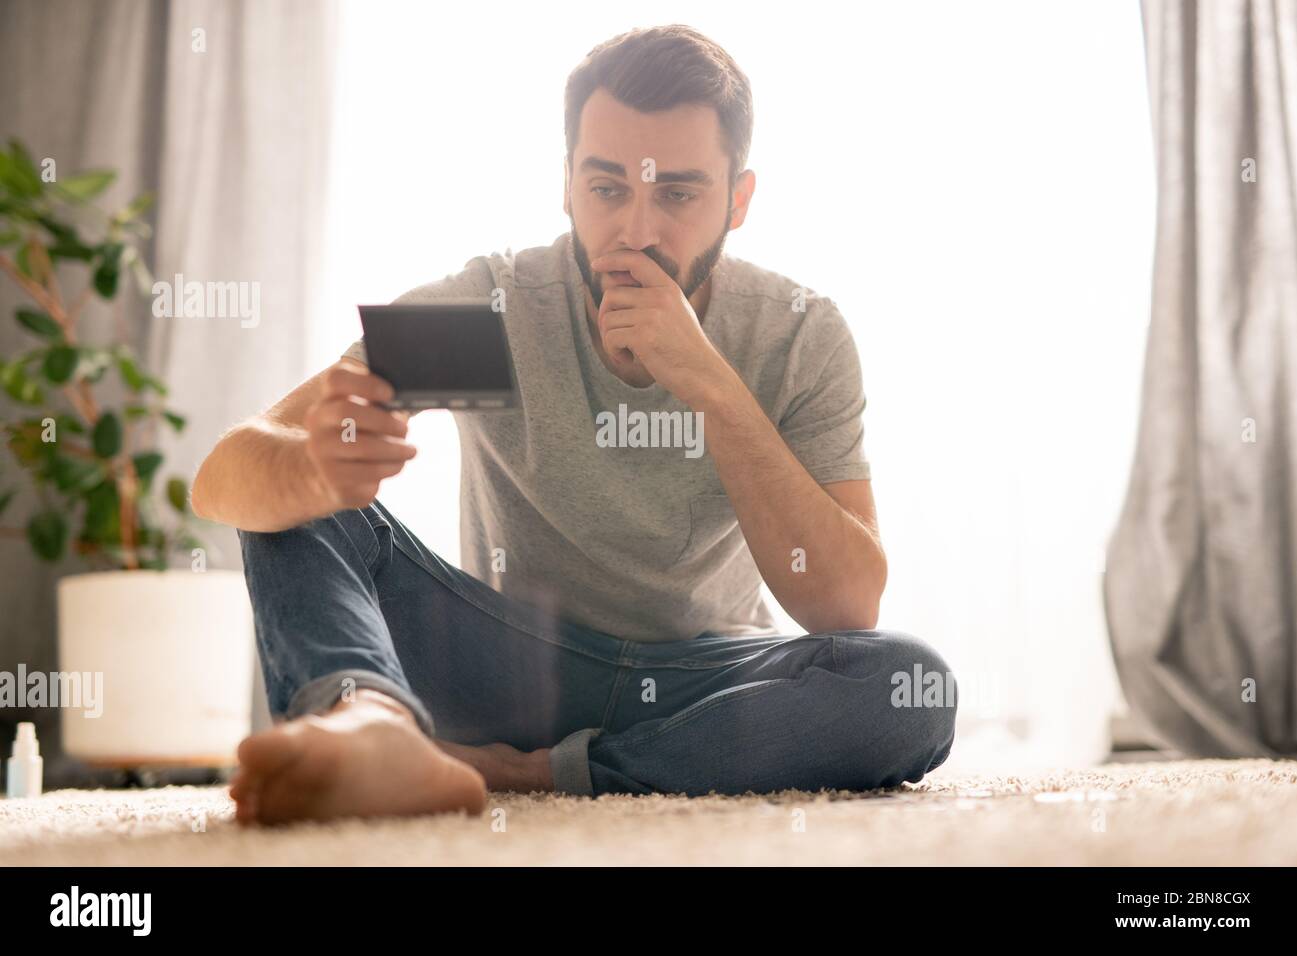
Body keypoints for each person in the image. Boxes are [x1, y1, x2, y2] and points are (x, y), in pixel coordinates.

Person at [193, 24, 957, 825]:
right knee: (283, 497)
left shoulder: (798, 334)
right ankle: (374, 727)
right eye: (607, 188)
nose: (636, 231)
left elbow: (846, 606)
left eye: (678, 193)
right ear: (566, 185)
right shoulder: (493, 312)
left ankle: (525, 772)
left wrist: (709, 383)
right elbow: (223, 475)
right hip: (512, 667)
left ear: (739, 197)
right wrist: (314, 470)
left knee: (910, 684)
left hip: (706, 684)